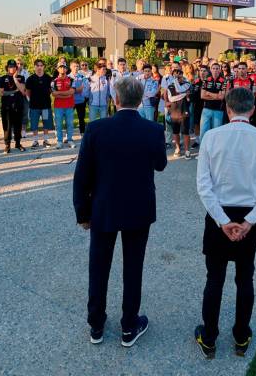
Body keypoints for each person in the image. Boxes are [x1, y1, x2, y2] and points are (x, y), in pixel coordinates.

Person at [73, 77, 167, 348]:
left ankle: (96, 325)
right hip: (138, 208)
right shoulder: (152, 129)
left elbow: (82, 175)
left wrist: (82, 212)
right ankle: (129, 325)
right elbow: (160, 164)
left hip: (103, 208)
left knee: (98, 267)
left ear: (116, 99)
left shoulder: (96, 128)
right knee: (133, 268)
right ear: (140, 101)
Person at [195, 88, 256, 359]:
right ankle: (241, 336)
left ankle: (209, 337)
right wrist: (248, 222)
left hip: (222, 213)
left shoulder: (212, 137)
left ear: (228, 109)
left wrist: (223, 221)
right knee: (245, 277)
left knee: (215, 278)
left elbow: (204, 186)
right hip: (246, 215)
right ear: (253, 110)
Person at [0, 59, 27, 154]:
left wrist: (14, 78)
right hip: (7, 106)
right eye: (10, 67)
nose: (12, 68)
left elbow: (23, 91)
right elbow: (1, 93)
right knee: (7, 126)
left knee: (18, 125)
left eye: (14, 67)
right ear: (7, 68)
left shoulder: (21, 77)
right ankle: (7, 145)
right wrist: (14, 91)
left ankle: (18, 143)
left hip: (18, 105)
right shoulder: (2, 78)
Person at [25, 59, 54, 148]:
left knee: (46, 123)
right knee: (34, 124)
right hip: (34, 106)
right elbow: (28, 92)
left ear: (43, 67)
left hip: (45, 105)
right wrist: (33, 100)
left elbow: (50, 90)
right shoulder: (30, 79)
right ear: (34, 67)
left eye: (41, 65)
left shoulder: (48, 78)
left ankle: (45, 140)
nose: (39, 67)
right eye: (37, 66)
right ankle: (35, 141)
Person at [164, 69, 192, 159]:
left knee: (185, 132)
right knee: (175, 132)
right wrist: (184, 95)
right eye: (175, 76)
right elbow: (171, 99)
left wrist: (183, 93)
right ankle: (178, 148)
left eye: (179, 75)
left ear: (182, 75)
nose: (178, 77)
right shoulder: (170, 86)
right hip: (174, 113)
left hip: (184, 112)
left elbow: (180, 89)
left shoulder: (187, 84)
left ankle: (187, 150)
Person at [198, 62, 228, 143]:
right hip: (206, 109)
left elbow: (221, 97)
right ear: (210, 70)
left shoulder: (224, 81)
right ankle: (202, 153)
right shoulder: (206, 80)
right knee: (203, 132)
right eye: (213, 68)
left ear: (220, 70)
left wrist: (208, 93)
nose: (215, 70)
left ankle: (214, 153)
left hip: (218, 110)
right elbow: (202, 96)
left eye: (217, 68)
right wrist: (216, 96)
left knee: (216, 133)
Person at [52, 63, 76, 149]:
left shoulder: (72, 80)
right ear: (57, 69)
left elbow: (72, 92)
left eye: (64, 67)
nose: (62, 69)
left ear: (66, 69)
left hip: (69, 105)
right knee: (58, 125)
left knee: (70, 124)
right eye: (60, 67)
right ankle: (59, 141)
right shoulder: (54, 81)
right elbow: (54, 94)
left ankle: (69, 140)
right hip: (58, 106)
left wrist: (59, 93)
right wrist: (66, 94)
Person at [71, 60, 90, 136]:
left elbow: (83, 88)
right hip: (70, 101)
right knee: (69, 119)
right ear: (71, 67)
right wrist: (76, 90)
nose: (76, 68)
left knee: (81, 118)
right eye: (74, 66)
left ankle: (82, 133)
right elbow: (69, 90)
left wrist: (74, 90)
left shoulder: (82, 77)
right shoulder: (68, 77)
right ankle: (69, 135)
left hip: (80, 101)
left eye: (77, 66)